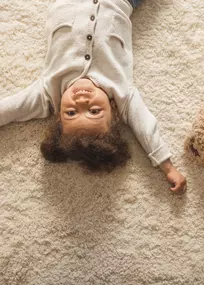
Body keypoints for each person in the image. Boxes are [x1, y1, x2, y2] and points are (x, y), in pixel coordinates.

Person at [0, 0, 186, 193]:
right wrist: (167, 166)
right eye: (94, 111)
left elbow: (10, 109)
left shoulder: (48, 92)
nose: (81, 102)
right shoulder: (121, 94)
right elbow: (145, 127)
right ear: (113, 112)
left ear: (58, 115)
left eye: (71, 112)